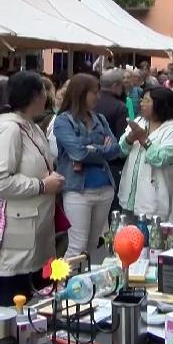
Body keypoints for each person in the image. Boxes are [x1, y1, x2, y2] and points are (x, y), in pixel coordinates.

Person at [0, 72, 65, 305]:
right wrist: (43, 185)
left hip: (32, 227)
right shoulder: (9, 129)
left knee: (31, 299)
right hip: (15, 231)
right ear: (36, 95)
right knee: (11, 300)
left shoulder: (28, 126)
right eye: (45, 91)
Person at [53, 74, 121, 262]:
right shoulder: (63, 121)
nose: (97, 97)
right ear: (81, 93)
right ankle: (64, 285)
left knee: (92, 244)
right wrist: (100, 148)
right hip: (77, 190)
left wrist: (90, 149)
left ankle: (88, 286)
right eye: (94, 93)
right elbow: (78, 152)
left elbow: (115, 150)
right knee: (76, 246)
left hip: (105, 188)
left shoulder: (99, 118)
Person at [118, 87, 173, 221]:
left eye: (147, 101)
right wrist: (130, 138)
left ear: (160, 104)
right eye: (142, 100)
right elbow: (120, 151)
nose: (141, 103)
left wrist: (144, 140)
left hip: (153, 200)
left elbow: (161, 159)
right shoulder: (138, 122)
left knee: (150, 238)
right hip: (129, 197)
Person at [96, 69, 129, 210]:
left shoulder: (92, 101)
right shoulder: (119, 106)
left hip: (89, 160)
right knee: (114, 207)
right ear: (116, 85)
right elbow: (122, 136)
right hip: (113, 162)